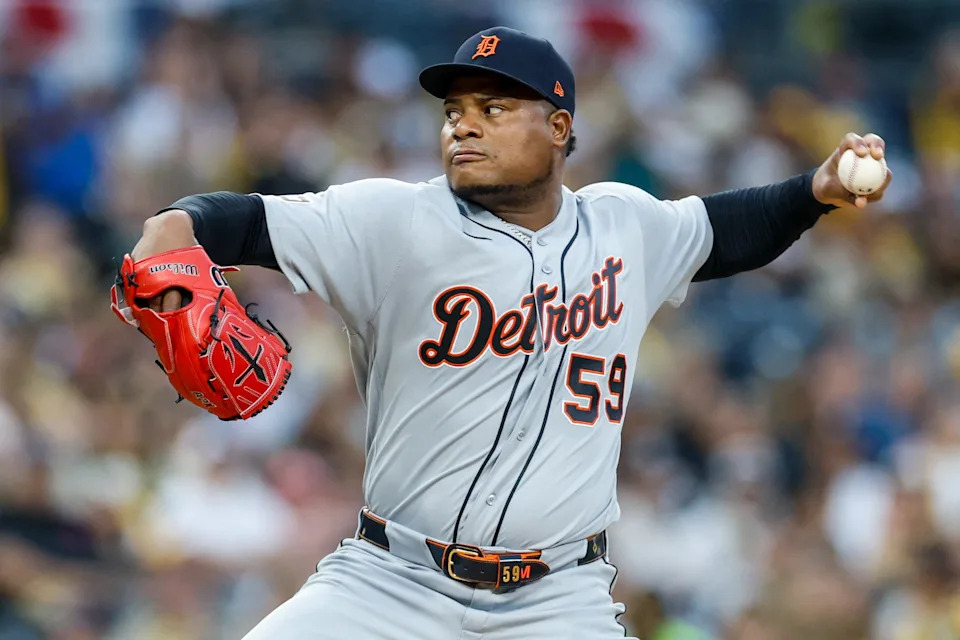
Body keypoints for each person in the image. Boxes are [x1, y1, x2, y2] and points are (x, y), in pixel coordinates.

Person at [129, 27, 891, 640]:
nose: (463, 124)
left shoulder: (624, 224)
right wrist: (176, 223)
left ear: (559, 128)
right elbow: (247, 221)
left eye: (492, 109)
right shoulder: (394, 220)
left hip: (558, 598)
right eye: (454, 111)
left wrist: (815, 192)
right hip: (392, 583)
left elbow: (728, 229)